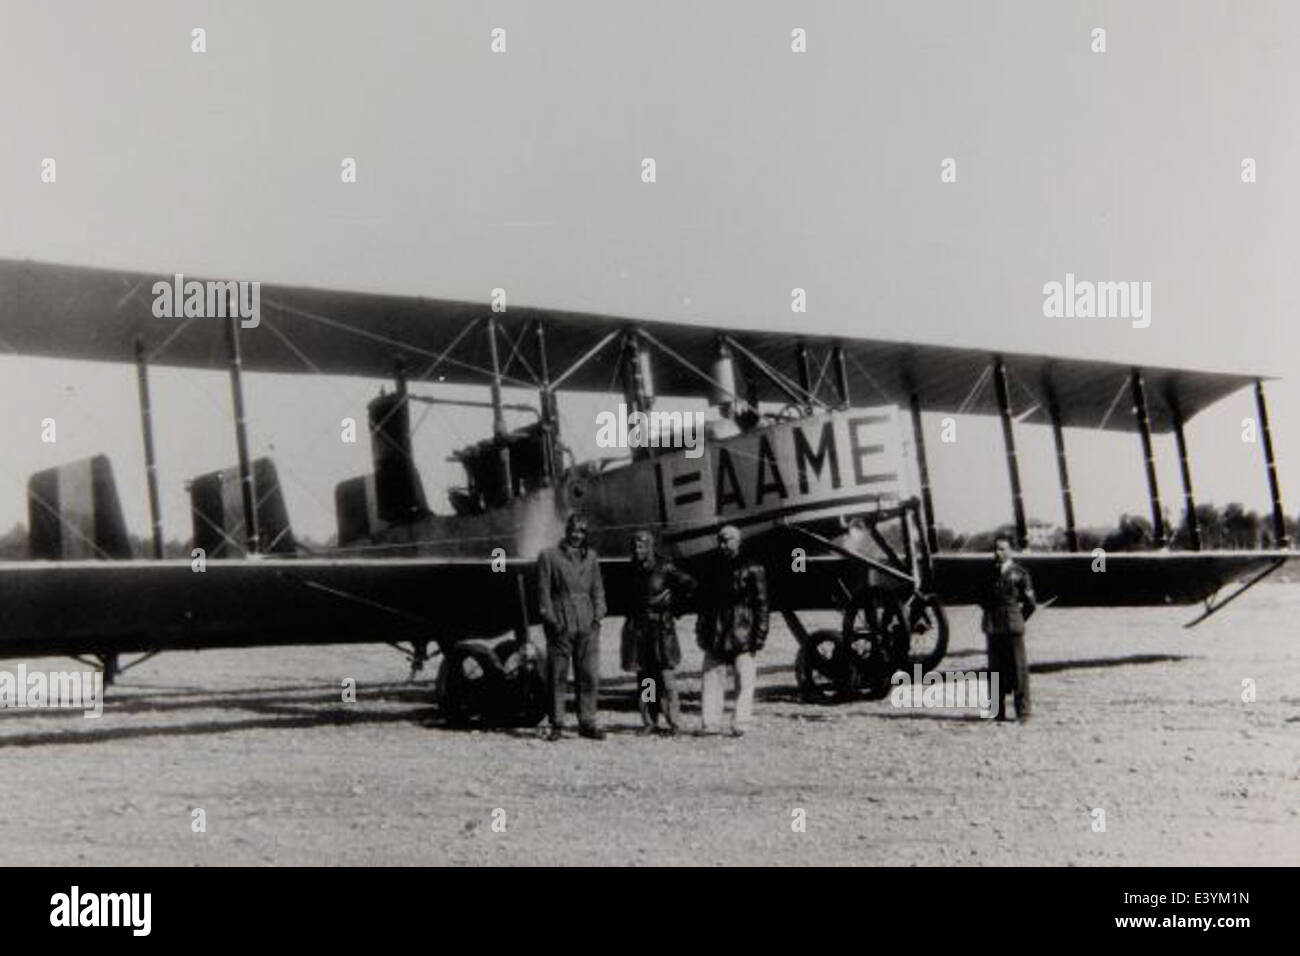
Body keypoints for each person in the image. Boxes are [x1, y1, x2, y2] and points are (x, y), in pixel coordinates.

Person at [537, 514, 607, 740]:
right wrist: (552, 621)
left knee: (588, 674)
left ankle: (587, 722)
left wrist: (598, 616)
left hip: (587, 622)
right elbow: (543, 593)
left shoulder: (592, 557)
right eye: (574, 530)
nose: (577, 535)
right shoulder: (549, 556)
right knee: (557, 675)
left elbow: (598, 589)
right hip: (561, 621)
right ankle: (557, 723)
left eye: (582, 532)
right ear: (566, 531)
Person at [695, 524, 769, 737]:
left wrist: (760, 635)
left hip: (742, 630)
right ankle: (710, 723)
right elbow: (704, 603)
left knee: (745, 680)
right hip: (716, 629)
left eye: (728, 540)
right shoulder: (711, 567)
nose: (723, 544)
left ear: (738, 541)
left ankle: (741, 723)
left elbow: (762, 604)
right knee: (711, 677)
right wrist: (701, 629)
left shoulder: (754, 568)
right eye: (721, 540)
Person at [621, 530, 696, 736]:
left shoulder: (665, 566)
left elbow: (689, 584)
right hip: (640, 630)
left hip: (661, 629)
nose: (638, 550)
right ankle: (649, 721)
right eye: (635, 546)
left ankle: (675, 722)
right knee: (646, 679)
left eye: (643, 546)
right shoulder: (630, 569)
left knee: (667, 679)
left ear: (651, 546)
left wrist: (675, 606)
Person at [980, 534, 1037, 722]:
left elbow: (1030, 604)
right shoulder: (987, 574)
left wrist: (1018, 619)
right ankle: (997, 712)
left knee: (1018, 670)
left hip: (1012, 627)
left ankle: (1023, 713)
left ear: (1010, 550)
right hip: (993, 626)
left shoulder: (1020, 573)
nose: (997, 553)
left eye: (1002, 549)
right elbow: (982, 599)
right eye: (995, 549)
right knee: (994, 670)